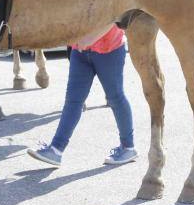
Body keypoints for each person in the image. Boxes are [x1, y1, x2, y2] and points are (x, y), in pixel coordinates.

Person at [27, 24, 137, 167]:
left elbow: (115, 17)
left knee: (115, 98)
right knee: (73, 101)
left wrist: (89, 39)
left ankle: (128, 148)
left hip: (109, 50)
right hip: (79, 51)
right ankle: (56, 149)